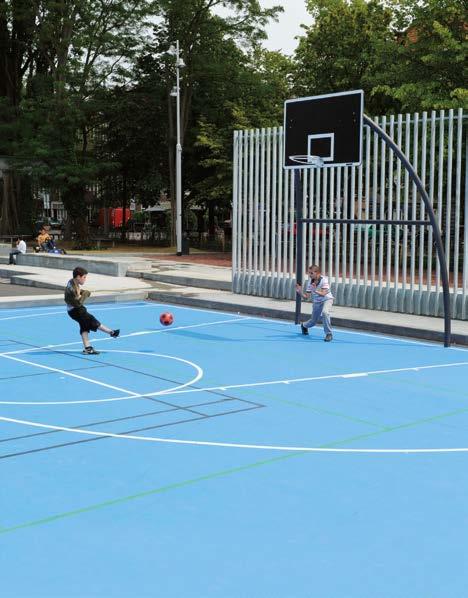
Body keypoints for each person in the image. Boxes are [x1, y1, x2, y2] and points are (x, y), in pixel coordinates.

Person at [65, 266, 120, 355]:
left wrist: (82, 292)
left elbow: (77, 294)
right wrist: (85, 295)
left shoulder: (72, 281)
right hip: (76, 310)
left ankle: (88, 348)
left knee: (84, 326)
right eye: (84, 277)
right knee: (92, 320)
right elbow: (78, 303)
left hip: (72, 310)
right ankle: (111, 332)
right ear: (78, 277)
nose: (85, 279)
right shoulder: (72, 289)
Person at [296, 264, 334, 342]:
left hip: (327, 299)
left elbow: (323, 293)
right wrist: (300, 292)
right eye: (309, 273)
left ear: (318, 273)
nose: (309, 275)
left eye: (311, 273)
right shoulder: (310, 282)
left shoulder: (324, 280)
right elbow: (306, 296)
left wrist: (315, 290)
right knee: (313, 322)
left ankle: (328, 333)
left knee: (325, 313)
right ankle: (304, 325)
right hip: (317, 302)